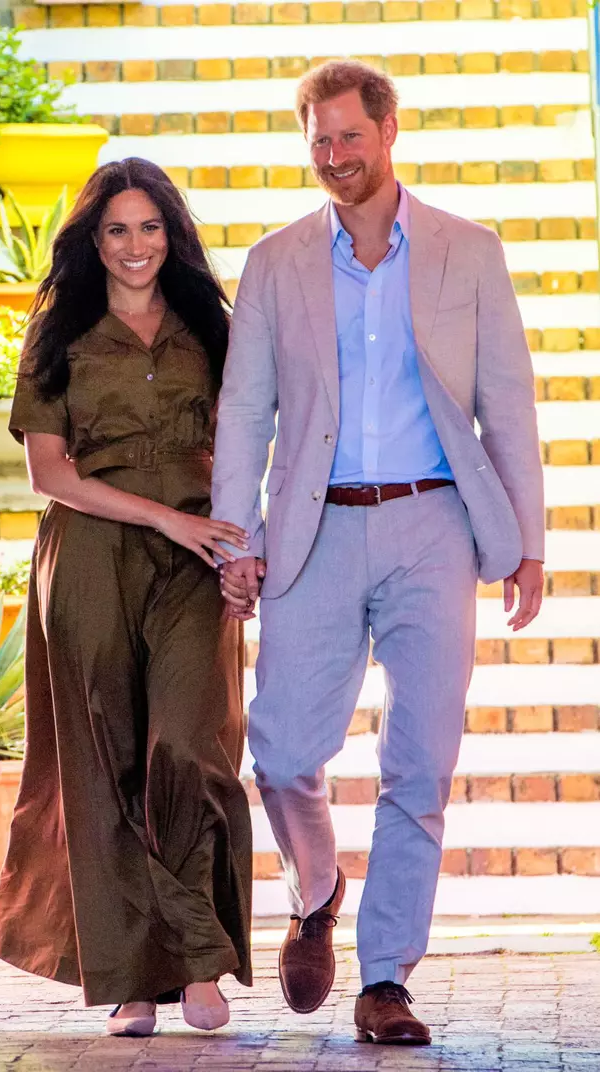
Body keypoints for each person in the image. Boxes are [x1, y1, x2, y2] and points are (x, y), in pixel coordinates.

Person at [212, 60, 544, 1045]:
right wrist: (238, 540)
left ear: (389, 131)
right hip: (313, 525)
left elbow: (508, 402)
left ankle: (386, 976)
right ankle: (316, 886)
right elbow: (244, 414)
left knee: (419, 760)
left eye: (349, 136)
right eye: (317, 140)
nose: (333, 156)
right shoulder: (275, 264)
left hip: (433, 524)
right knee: (276, 748)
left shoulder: (465, 252)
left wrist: (525, 542)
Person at [0, 157, 253, 1037]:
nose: (135, 246)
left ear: (171, 234)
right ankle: (135, 979)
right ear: (91, 240)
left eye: (149, 228)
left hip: (195, 562)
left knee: (188, 742)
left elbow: (249, 447)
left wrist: (236, 544)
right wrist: (160, 517)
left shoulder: (213, 328)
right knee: (103, 758)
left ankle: (200, 955)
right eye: (116, 230)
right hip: (91, 555)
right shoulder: (58, 334)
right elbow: (49, 473)